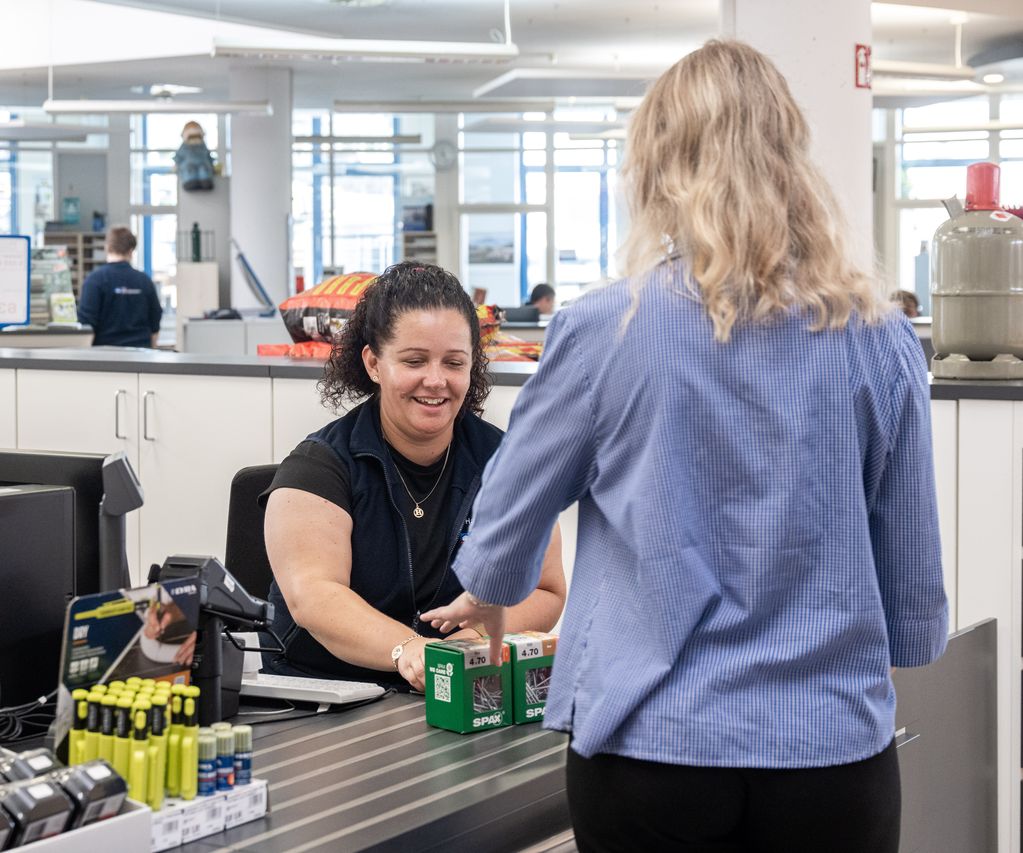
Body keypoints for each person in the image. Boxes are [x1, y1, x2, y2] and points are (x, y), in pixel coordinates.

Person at [423, 40, 947, 853]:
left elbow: (506, 517)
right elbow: (911, 591)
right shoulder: (877, 337)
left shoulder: (604, 329)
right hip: (829, 750)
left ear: (658, 165)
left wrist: (489, 582)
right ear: (789, 157)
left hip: (650, 746)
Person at [261, 261, 566, 692]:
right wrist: (409, 649)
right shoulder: (317, 468)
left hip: (455, 692)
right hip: (325, 693)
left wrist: (474, 638)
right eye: (415, 360)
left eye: (454, 362)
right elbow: (314, 596)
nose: (436, 381)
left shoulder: (510, 463)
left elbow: (546, 591)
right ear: (373, 363)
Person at [77, 226, 163, 348]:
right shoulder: (144, 281)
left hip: (104, 356)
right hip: (140, 354)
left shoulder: (94, 280)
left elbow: (86, 324)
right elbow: (155, 321)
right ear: (131, 250)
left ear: (106, 248)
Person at [173, 121, 215, 191]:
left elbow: (208, 155)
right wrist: (176, 165)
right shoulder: (184, 146)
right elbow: (179, 157)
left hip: (203, 164)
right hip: (189, 166)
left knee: (204, 169)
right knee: (189, 170)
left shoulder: (202, 146)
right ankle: (190, 181)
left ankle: (205, 180)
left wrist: (212, 165)